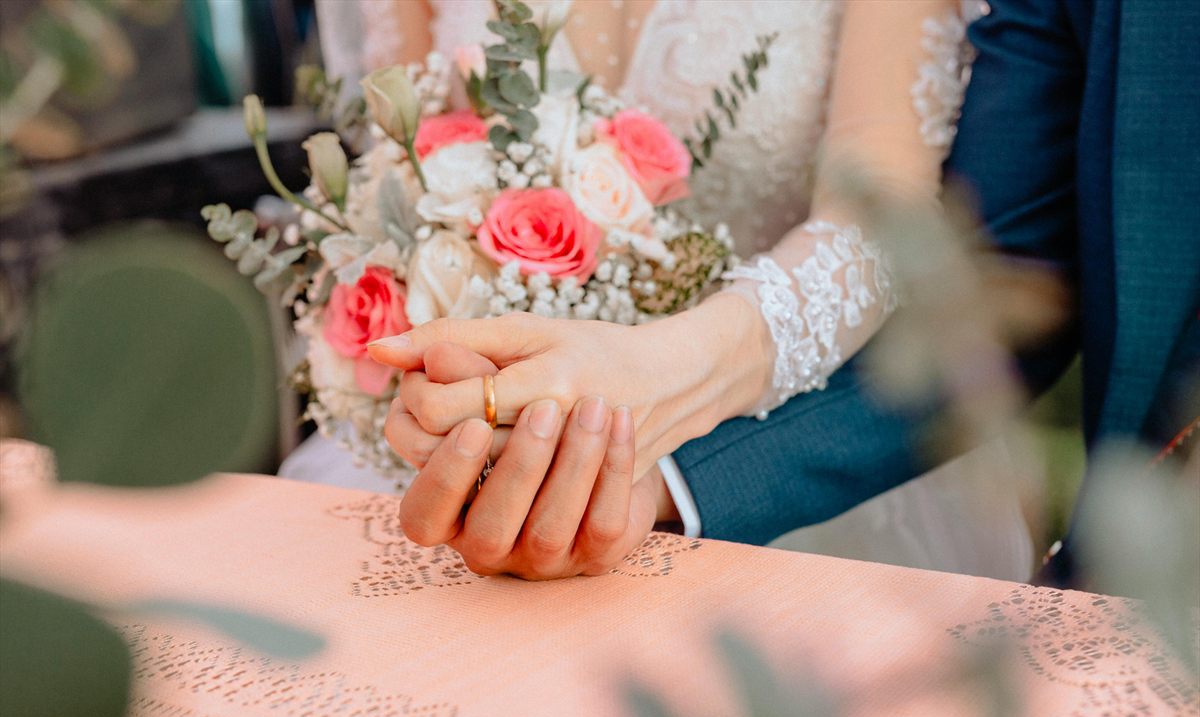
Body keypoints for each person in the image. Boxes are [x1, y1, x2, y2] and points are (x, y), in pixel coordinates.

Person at [369, 0, 1199, 585]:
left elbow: (885, 215)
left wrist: (667, 367)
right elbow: (1003, 259)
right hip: (557, 462)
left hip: (825, 487)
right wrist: (616, 462)